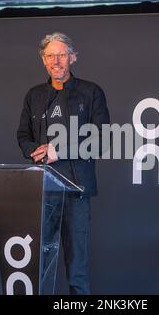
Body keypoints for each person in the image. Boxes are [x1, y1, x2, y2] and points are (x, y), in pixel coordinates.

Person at [17, 32, 110, 294]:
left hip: (77, 190)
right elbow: (23, 135)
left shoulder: (91, 92)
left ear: (73, 57)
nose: (55, 61)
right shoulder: (33, 95)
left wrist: (60, 150)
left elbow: (102, 140)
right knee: (38, 260)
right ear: (43, 61)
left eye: (61, 55)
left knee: (77, 263)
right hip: (42, 190)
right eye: (50, 56)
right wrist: (35, 150)